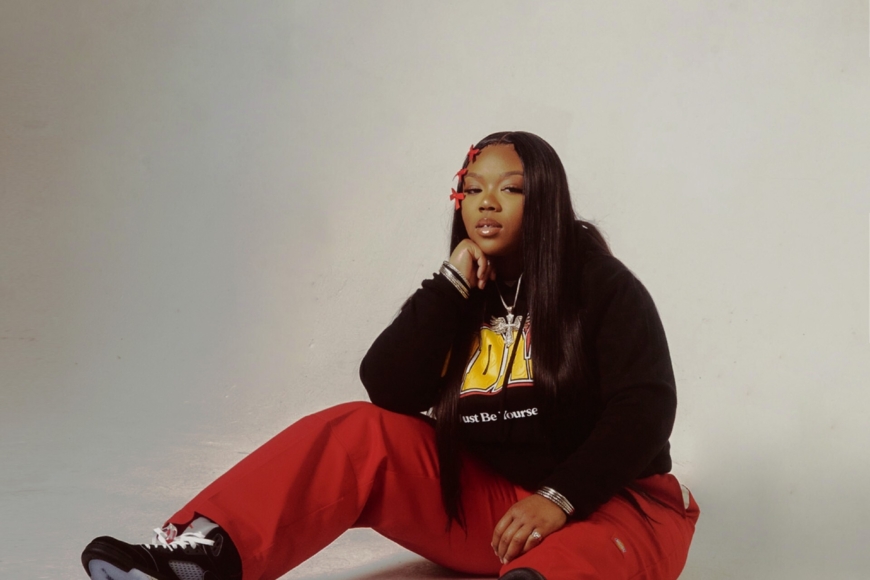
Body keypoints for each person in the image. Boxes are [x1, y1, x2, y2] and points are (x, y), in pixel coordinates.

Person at [81, 131, 699, 580]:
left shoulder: (600, 285)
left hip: (616, 508)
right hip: (500, 515)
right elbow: (389, 389)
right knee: (357, 429)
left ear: (545, 200)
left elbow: (644, 410)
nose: (486, 202)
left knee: (569, 565)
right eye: (472, 189)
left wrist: (559, 497)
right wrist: (448, 287)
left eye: (509, 189)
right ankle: (199, 560)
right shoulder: (464, 293)